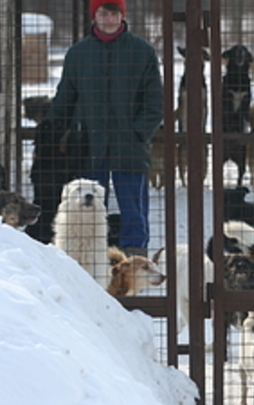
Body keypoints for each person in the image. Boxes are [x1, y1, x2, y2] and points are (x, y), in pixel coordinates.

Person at [44, 0, 163, 257]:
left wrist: (139, 133)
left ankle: (135, 258)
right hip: (89, 144)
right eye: (103, 13)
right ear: (94, 16)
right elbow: (65, 97)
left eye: (114, 13)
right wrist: (51, 136)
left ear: (122, 16)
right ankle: (91, 257)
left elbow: (155, 101)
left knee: (134, 208)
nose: (108, 18)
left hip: (129, 145)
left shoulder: (142, 51)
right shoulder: (78, 53)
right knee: (89, 206)